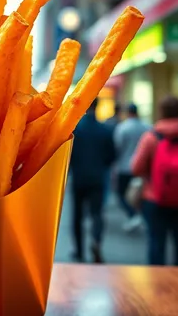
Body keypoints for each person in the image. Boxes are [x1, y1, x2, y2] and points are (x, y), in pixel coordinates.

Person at [132, 96, 178, 266]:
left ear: (161, 112)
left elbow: (136, 168)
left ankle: (157, 286)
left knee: (157, 243)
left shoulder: (152, 137)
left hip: (155, 197)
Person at [70, 98, 116, 263]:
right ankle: (96, 241)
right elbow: (112, 155)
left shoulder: (76, 129)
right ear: (97, 107)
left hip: (79, 177)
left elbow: (69, 155)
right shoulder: (105, 130)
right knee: (97, 213)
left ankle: (79, 250)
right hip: (97, 177)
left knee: (77, 215)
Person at [114, 103, 150, 232]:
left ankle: (133, 214)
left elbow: (117, 147)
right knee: (140, 194)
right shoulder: (147, 127)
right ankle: (138, 215)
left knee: (121, 194)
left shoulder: (123, 128)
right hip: (142, 168)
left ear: (128, 112)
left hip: (124, 166)